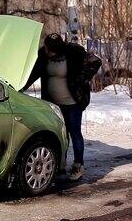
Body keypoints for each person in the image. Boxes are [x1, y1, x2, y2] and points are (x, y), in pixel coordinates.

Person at [22, 33, 102, 181]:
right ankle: (61, 165)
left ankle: (78, 165)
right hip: (53, 105)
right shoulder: (44, 54)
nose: (47, 51)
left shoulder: (73, 52)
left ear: (58, 49)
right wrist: (22, 86)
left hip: (73, 103)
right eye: (46, 47)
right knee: (59, 135)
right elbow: (35, 72)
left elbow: (95, 61)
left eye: (50, 49)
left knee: (74, 133)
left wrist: (82, 78)